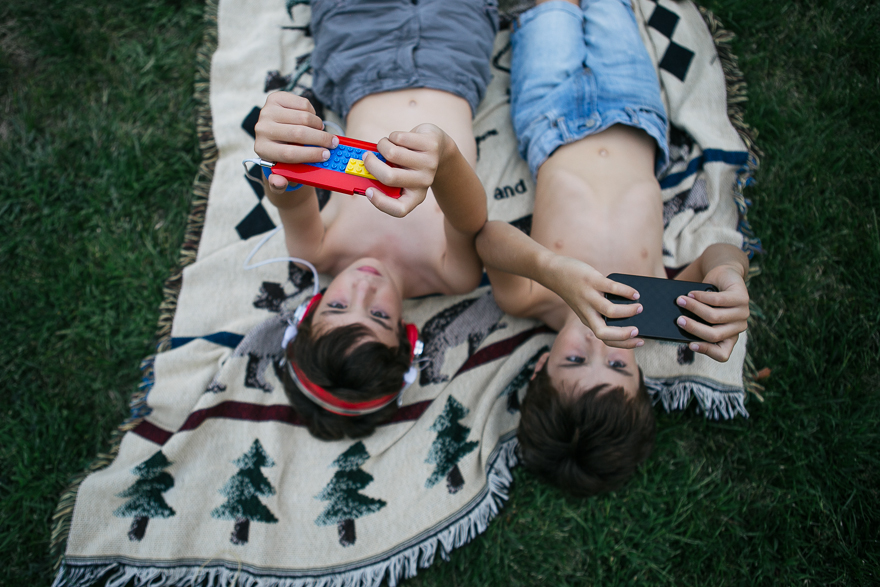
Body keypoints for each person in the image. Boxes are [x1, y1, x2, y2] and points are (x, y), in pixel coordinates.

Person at [474, 0, 750, 496]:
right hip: (635, 111)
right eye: (618, 365)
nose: (599, 346)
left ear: (540, 365)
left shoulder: (530, 299)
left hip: (549, 116)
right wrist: (730, 276)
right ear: (640, 371)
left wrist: (552, 269)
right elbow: (717, 255)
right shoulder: (655, 313)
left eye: (575, 362)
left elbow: (487, 240)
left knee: (551, 11)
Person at [254, 0, 497, 440]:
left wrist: (283, 155)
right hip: (453, 60)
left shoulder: (318, 250)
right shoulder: (449, 275)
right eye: (380, 315)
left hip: (358, 57)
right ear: (407, 337)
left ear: (309, 309)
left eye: (339, 306)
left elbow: (290, 195)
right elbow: (471, 216)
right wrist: (441, 155)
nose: (364, 288)